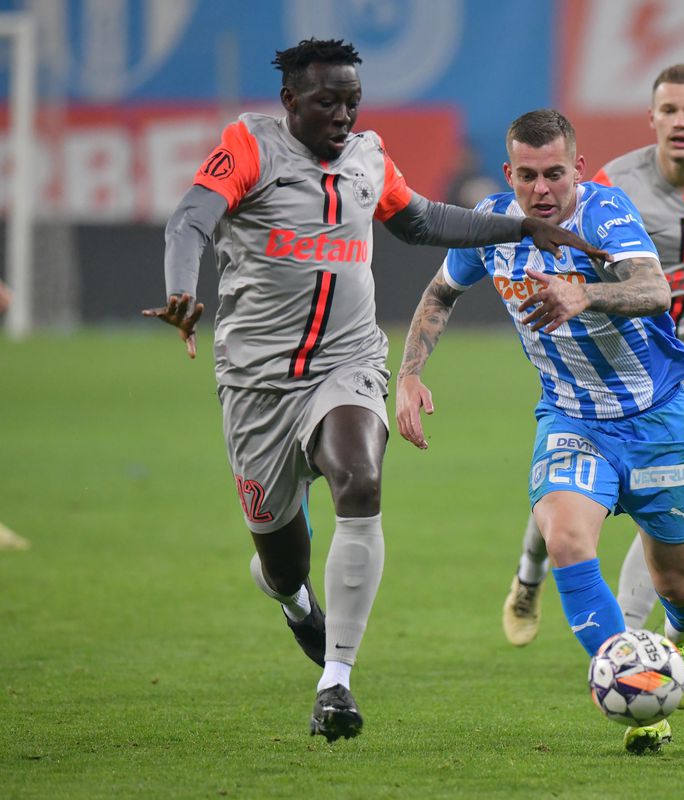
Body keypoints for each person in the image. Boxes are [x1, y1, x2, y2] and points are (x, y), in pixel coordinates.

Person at [141, 39, 603, 743]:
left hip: (346, 360)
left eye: (353, 100)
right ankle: (296, 602)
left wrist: (519, 224)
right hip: (257, 384)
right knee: (281, 562)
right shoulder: (249, 146)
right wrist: (180, 286)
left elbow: (419, 219)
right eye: (328, 100)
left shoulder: (366, 157)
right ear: (291, 100)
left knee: (359, 478)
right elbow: (191, 219)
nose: (344, 114)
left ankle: (336, 681)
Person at [395, 109, 684, 754]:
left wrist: (585, 295)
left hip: (654, 417)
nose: (543, 190)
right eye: (529, 176)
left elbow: (654, 287)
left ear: (579, 170)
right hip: (572, 417)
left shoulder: (605, 214)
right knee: (567, 537)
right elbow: (438, 293)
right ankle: (639, 696)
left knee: (677, 580)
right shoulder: (491, 225)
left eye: (556, 174)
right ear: (510, 173)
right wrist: (409, 375)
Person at [500, 64, 684, 678]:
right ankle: (547, 588)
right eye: (669, 110)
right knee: (566, 498)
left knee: (666, 495)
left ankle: (654, 635)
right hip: (610, 361)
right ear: (652, 117)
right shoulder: (615, 185)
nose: (680, 121)